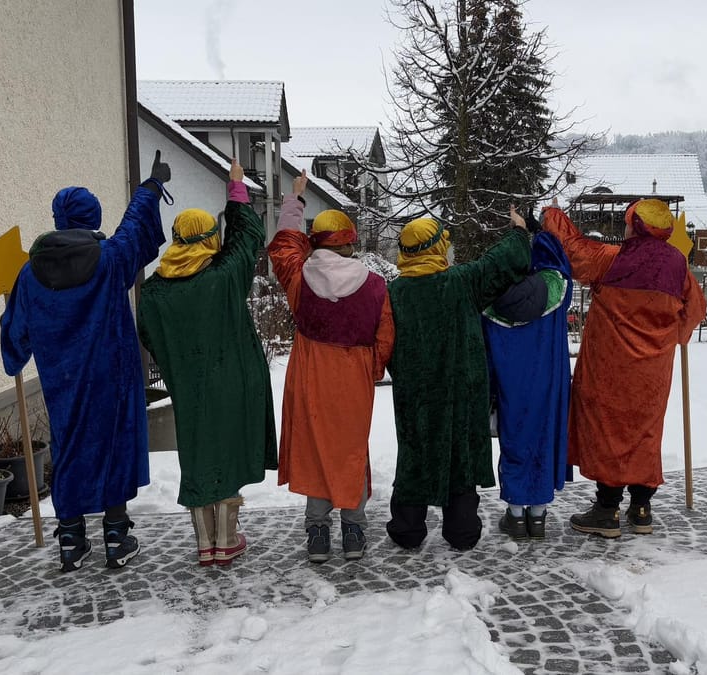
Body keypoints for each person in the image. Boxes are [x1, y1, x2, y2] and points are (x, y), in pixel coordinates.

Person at [1, 151, 171, 572]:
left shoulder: (28, 273)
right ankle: (116, 535)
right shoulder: (110, 260)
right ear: (92, 217)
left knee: (70, 447)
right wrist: (151, 187)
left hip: (62, 382)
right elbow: (134, 227)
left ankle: (71, 540)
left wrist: (13, 352)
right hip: (113, 379)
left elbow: (16, 328)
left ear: (58, 220)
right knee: (114, 446)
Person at [136, 159, 277, 567]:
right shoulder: (224, 275)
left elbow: (148, 336)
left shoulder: (154, 291)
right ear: (209, 238)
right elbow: (248, 237)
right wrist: (236, 190)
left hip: (189, 386)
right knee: (228, 451)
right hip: (233, 381)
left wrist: (179, 363)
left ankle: (205, 542)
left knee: (198, 453)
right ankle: (227, 539)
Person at [542, 197, 706, 538]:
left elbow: (573, 250)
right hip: (653, 373)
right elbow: (695, 309)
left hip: (610, 369)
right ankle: (641, 509)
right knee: (646, 433)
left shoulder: (613, 259)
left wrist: (553, 214)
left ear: (637, 227)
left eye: (629, 222)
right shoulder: (677, 265)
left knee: (609, 434)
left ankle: (607, 511)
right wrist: (673, 335)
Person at [385, 206, 531, 551]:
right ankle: (462, 531)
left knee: (414, 455)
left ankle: (407, 529)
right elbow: (503, 261)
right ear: (437, 247)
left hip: (415, 396)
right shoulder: (462, 282)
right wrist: (518, 230)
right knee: (460, 454)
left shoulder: (394, 293)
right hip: (462, 393)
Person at [268, 171, 394, 563]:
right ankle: (353, 531)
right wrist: (372, 369)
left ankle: (318, 533)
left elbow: (283, 245)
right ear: (349, 243)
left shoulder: (299, 277)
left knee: (314, 448)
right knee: (351, 450)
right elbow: (385, 336)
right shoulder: (375, 284)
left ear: (316, 241)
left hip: (310, 371)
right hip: (353, 376)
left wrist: (295, 200)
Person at [482, 214, 573, 540]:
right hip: (547, 386)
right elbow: (561, 263)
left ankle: (516, 516)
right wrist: (546, 229)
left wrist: (516, 237)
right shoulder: (557, 290)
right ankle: (538, 516)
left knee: (515, 441)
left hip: (510, 387)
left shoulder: (491, 297)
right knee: (543, 439)